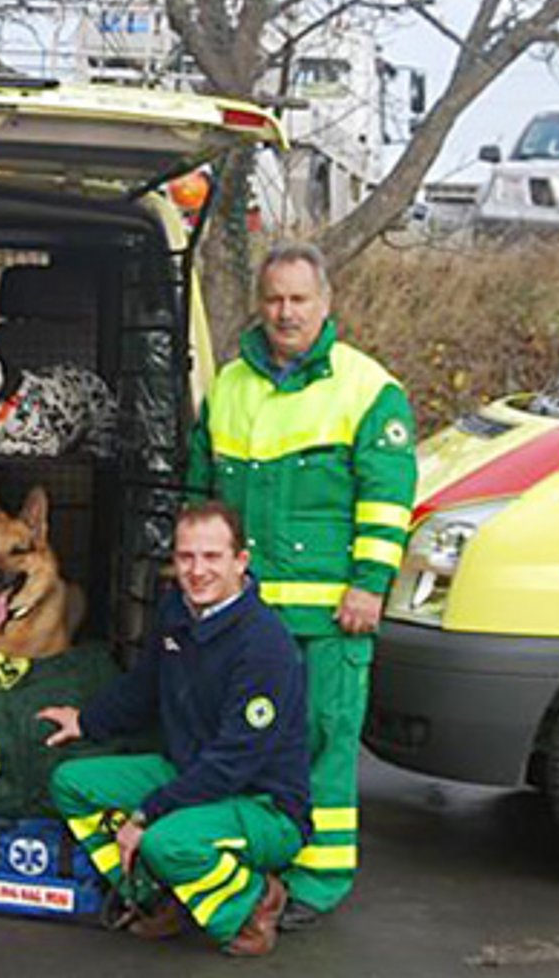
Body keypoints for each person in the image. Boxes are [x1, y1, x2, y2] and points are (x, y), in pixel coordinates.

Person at [186, 241, 418, 929]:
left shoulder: (368, 389)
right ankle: (259, 864)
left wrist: (370, 585)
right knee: (241, 741)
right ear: (260, 304)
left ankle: (318, 881)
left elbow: (387, 500)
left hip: (330, 620)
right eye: (274, 299)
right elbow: (204, 490)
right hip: (245, 618)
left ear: (326, 303)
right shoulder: (230, 383)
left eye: (298, 299)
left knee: (324, 742)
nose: (285, 312)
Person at [40, 502, 310, 957]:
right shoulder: (175, 611)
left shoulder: (265, 645)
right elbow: (145, 686)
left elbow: (232, 763)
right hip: (190, 775)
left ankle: (254, 903)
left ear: (240, 561)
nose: (197, 571)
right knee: (72, 784)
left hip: (261, 804)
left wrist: (147, 814)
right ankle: (161, 898)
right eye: (186, 557)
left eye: (212, 557)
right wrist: (85, 720)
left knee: (168, 841)